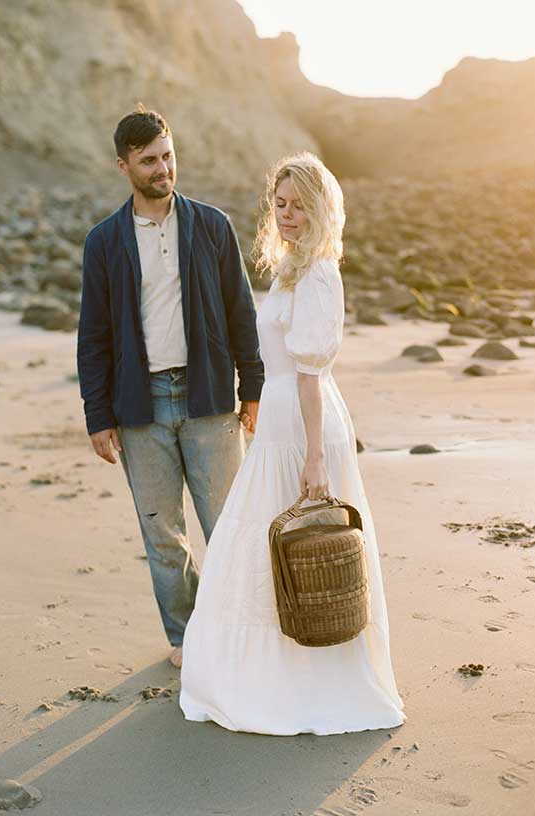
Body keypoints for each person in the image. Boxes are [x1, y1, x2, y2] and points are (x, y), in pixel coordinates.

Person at [179, 152, 406, 735]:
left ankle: (316, 684)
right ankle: (266, 679)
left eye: (299, 205)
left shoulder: (321, 272)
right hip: (281, 417)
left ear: (320, 209)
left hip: (305, 425)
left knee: (307, 549)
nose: (286, 215)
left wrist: (314, 459)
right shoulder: (290, 269)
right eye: (279, 204)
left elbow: (309, 375)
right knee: (265, 551)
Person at [77, 105, 264, 669]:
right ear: (123, 165)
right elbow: (95, 336)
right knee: (163, 537)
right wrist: (97, 415)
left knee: (228, 528)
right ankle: (186, 637)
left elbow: (241, 312)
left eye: (167, 156)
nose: (163, 169)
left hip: (209, 398)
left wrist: (252, 386)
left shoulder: (212, 225)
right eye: (149, 161)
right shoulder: (103, 242)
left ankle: (239, 631)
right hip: (141, 408)